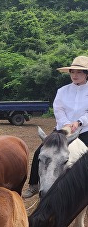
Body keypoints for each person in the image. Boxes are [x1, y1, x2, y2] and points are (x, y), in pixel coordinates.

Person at [23, 55, 88, 198]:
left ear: (86, 74)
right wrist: (66, 123)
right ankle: (34, 184)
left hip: (84, 130)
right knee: (40, 152)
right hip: (62, 130)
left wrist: (79, 122)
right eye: (72, 72)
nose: (75, 75)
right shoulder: (62, 90)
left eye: (79, 72)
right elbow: (58, 109)